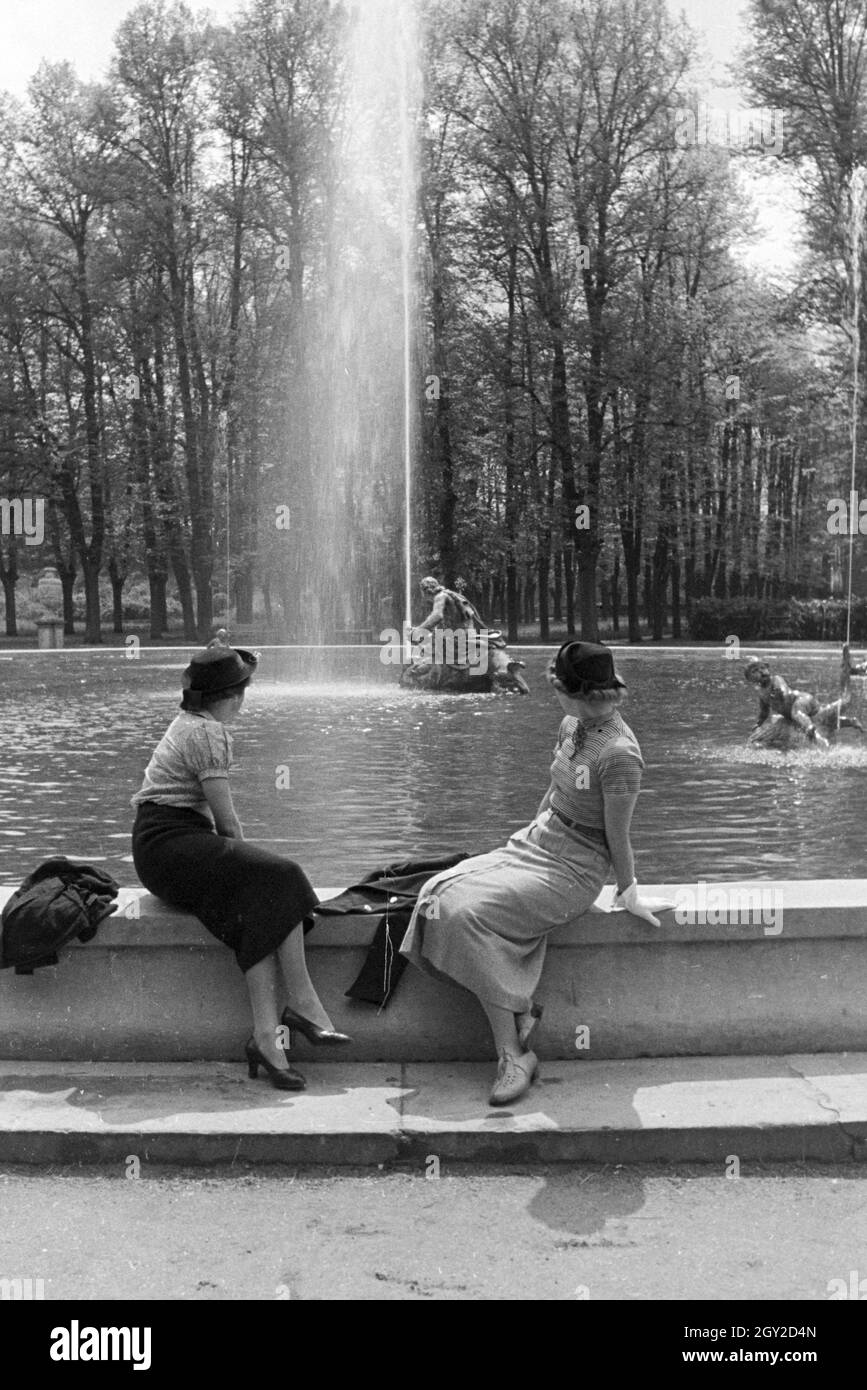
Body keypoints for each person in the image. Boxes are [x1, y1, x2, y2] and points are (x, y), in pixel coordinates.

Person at [400, 640, 664, 1106]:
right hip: (537, 842)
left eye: (556, 687)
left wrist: (630, 892)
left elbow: (618, 838)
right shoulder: (572, 723)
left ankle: (514, 1053)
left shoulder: (620, 754)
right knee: (436, 891)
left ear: (570, 689)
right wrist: (521, 843)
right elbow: (553, 790)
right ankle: (519, 1008)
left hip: (576, 869)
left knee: (466, 916)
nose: (552, 694)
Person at [131, 631, 350, 1091]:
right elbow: (228, 826)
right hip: (169, 844)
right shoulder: (209, 734)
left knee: (257, 913)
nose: (243, 701)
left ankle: (267, 1041)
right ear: (224, 697)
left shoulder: (191, 720)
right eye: (238, 693)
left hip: (163, 847)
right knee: (283, 875)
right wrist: (251, 863)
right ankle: (305, 1004)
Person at [744, 658, 863, 749]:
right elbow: (764, 711)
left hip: (801, 700)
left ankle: (810, 729)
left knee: (797, 713)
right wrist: (759, 722)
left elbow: (783, 690)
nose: (761, 672)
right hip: (799, 712)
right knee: (821, 719)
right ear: (750, 679)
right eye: (755, 671)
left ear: (767, 668)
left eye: (762, 668)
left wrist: (777, 693)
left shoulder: (776, 679)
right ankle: (850, 721)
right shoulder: (761, 693)